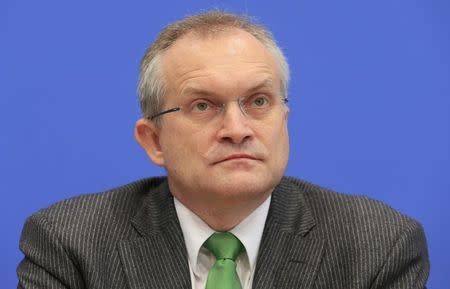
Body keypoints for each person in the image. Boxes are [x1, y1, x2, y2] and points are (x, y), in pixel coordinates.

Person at [17, 10, 429, 289]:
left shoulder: (378, 246)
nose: (237, 129)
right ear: (154, 140)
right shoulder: (70, 244)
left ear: (283, 118)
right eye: (203, 106)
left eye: (259, 101)